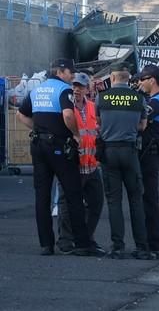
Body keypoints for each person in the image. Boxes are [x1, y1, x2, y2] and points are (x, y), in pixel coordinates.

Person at [16, 58, 101, 256]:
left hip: (38, 146)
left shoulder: (37, 90)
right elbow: (68, 115)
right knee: (73, 195)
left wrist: (39, 129)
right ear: (60, 71)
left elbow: (21, 115)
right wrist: (76, 134)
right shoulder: (64, 90)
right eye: (70, 72)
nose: (72, 76)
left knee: (42, 196)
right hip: (60, 147)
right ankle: (81, 243)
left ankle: (46, 244)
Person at [96, 63, 152, 260]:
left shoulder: (101, 97)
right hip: (130, 151)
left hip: (109, 151)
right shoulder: (138, 99)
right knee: (136, 200)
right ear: (128, 79)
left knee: (114, 202)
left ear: (112, 78)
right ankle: (142, 247)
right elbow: (142, 126)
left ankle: (117, 246)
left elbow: (98, 123)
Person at [56, 72, 106, 255]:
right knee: (67, 204)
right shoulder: (66, 107)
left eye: (81, 86)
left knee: (96, 202)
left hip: (91, 164)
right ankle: (65, 240)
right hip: (72, 164)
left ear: (87, 89)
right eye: (74, 86)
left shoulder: (93, 107)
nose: (77, 89)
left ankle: (85, 238)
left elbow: (99, 131)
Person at [136, 64, 159, 258]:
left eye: (142, 79)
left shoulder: (156, 102)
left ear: (151, 80)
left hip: (150, 153)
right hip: (150, 153)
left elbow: (140, 120)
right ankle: (151, 242)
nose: (139, 83)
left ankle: (152, 243)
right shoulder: (156, 99)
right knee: (147, 198)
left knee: (148, 199)